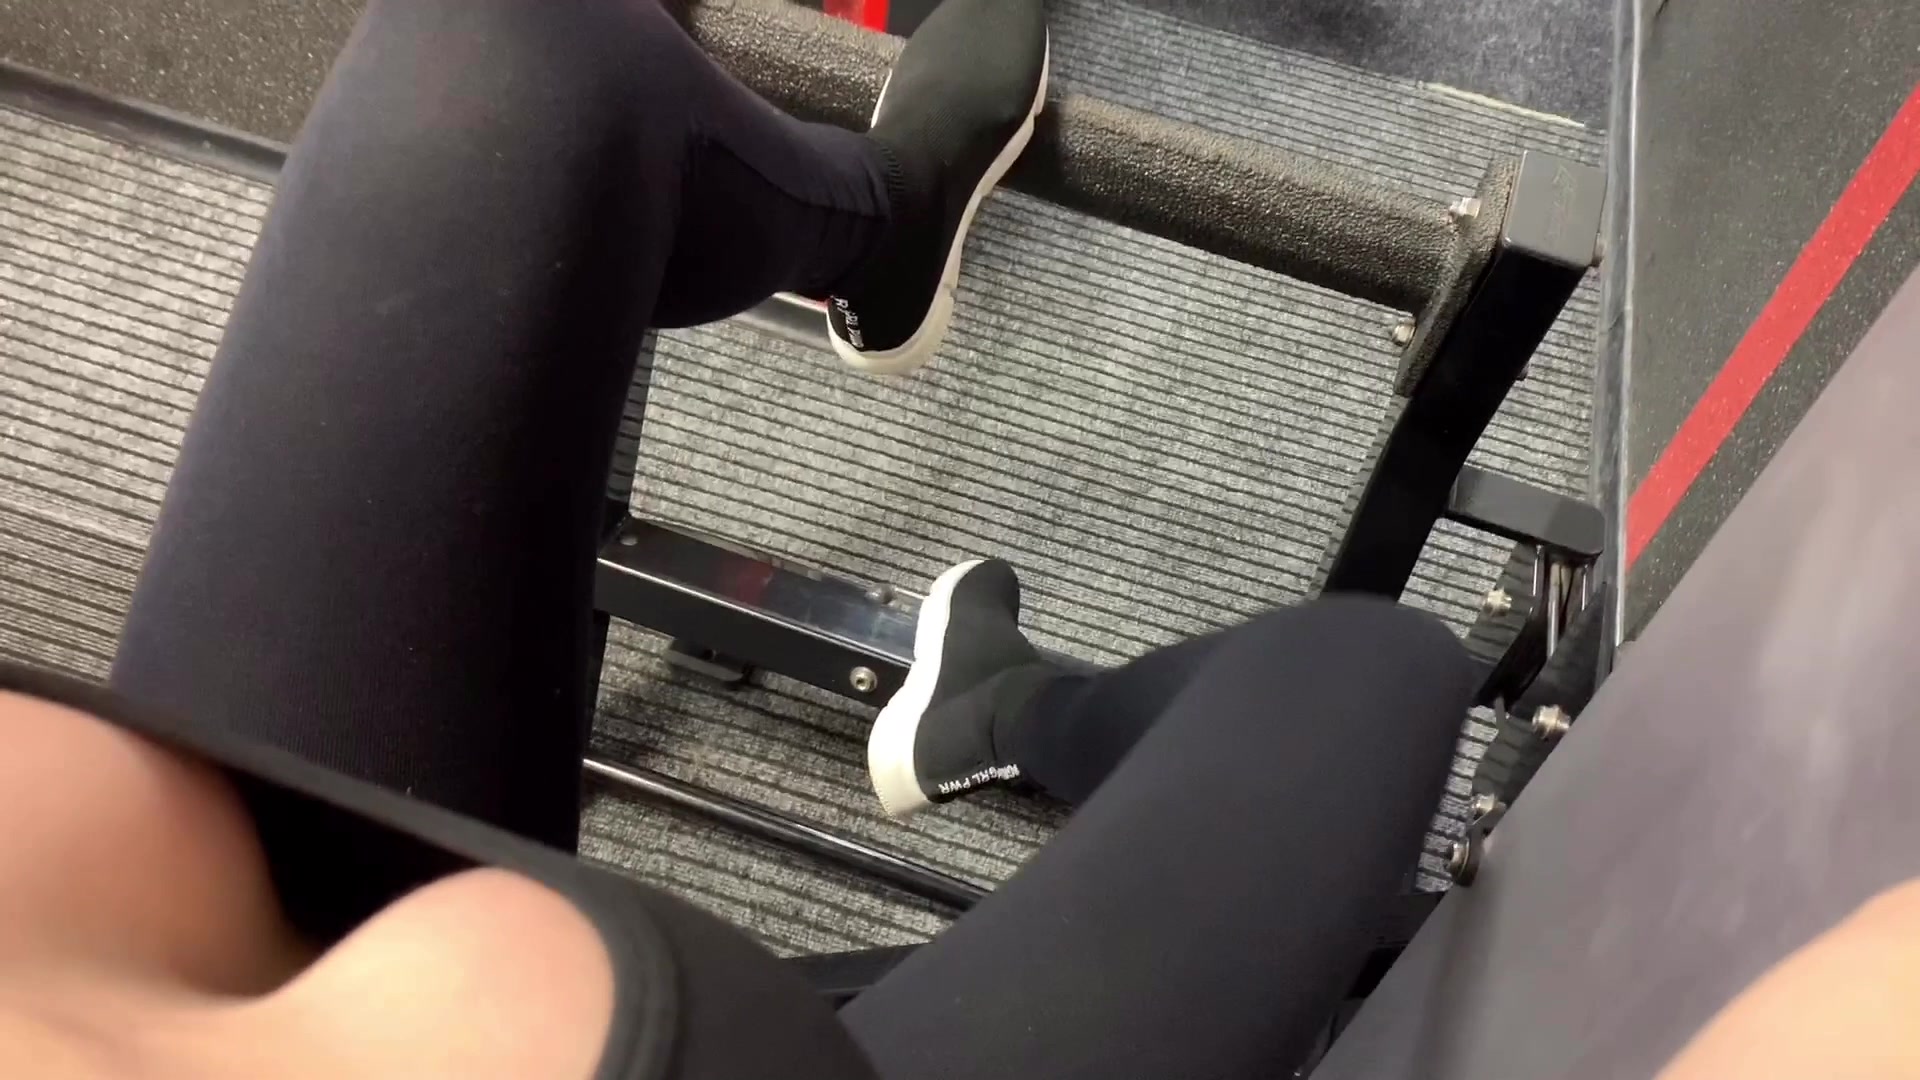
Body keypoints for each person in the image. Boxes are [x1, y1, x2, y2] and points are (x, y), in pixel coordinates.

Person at [0, 0, 1486, 1076]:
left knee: (521, 51)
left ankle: (890, 219)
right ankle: (1008, 709)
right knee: (1358, 674)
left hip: (170, 916)